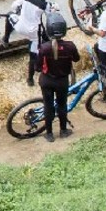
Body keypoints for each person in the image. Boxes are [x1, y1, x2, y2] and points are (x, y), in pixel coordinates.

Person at [3, 0, 58, 85]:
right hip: (34, 33)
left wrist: (21, 10)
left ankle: (6, 39)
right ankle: (30, 79)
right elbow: (50, 16)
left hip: (20, 26)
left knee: (9, 16)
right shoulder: (45, 4)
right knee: (33, 56)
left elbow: (13, 7)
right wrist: (54, 8)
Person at [38, 12, 78, 141]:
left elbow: (38, 67)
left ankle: (49, 133)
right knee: (62, 105)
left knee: (48, 106)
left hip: (47, 80)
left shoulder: (44, 48)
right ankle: (63, 130)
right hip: (62, 81)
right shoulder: (70, 46)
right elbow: (77, 59)